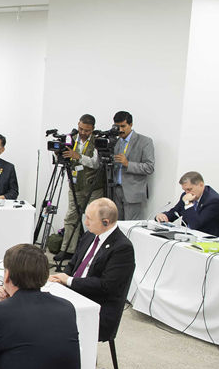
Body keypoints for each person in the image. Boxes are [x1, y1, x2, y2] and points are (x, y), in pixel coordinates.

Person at [49, 198, 136, 342]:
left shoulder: (122, 248)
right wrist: (62, 277)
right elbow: (73, 264)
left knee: (49, 318)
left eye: (90, 219)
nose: (86, 222)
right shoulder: (90, 235)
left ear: (105, 222)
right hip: (73, 292)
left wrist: (69, 281)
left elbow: (106, 286)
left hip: (96, 304)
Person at [54, 115, 105, 262]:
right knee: (71, 217)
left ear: (92, 129)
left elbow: (96, 163)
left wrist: (78, 156)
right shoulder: (70, 138)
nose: (83, 132)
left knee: (94, 218)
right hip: (75, 186)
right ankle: (67, 250)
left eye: (87, 130)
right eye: (81, 128)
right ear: (78, 125)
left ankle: (92, 251)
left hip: (93, 187)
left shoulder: (97, 141)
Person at [156, 171, 219, 237]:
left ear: (201, 185)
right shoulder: (187, 196)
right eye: (184, 190)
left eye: (189, 189)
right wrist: (164, 216)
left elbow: (195, 225)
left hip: (210, 241)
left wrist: (187, 203)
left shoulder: (213, 200)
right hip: (190, 236)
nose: (187, 193)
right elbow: (175, 212)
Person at [111, 111, 155, 220]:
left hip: (132, 192)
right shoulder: (115, 142)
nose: (120, 130)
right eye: (117, 126)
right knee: (116, 224)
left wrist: (128, 164)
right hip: (115, 191)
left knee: (130, 226)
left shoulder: (145, 141)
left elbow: (149, 168)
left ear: (131, 125)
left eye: (123, 126)